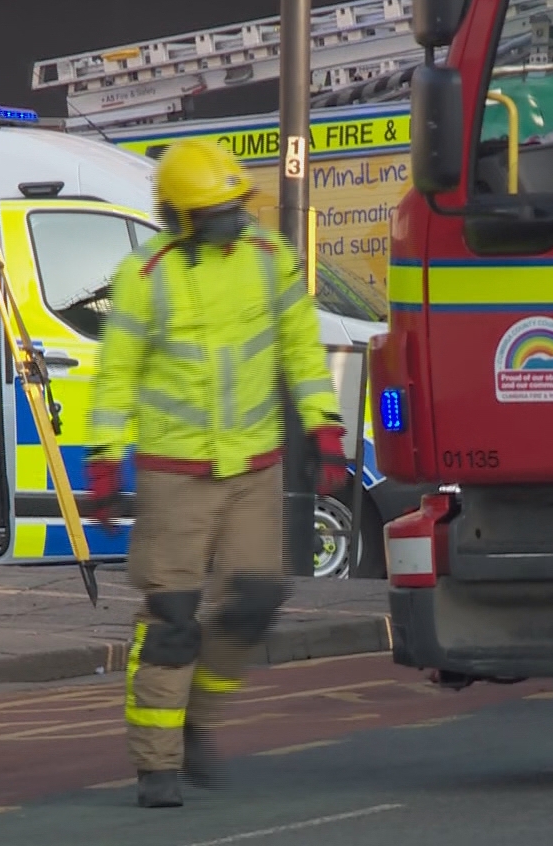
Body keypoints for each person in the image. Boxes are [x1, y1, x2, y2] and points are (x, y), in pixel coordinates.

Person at [81, 139, 345, 809]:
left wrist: (324, 425)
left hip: (253, 467)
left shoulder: (268, 258)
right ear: (177, 217)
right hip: (177, 475)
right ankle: (156, 764)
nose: (234, 219)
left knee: (256, 601)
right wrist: (107, 459)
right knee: (170, 620)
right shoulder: (145, 276)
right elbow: (116, 377)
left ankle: (198, 715)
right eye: (217, 211)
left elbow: (301, 349)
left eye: (235, 207)